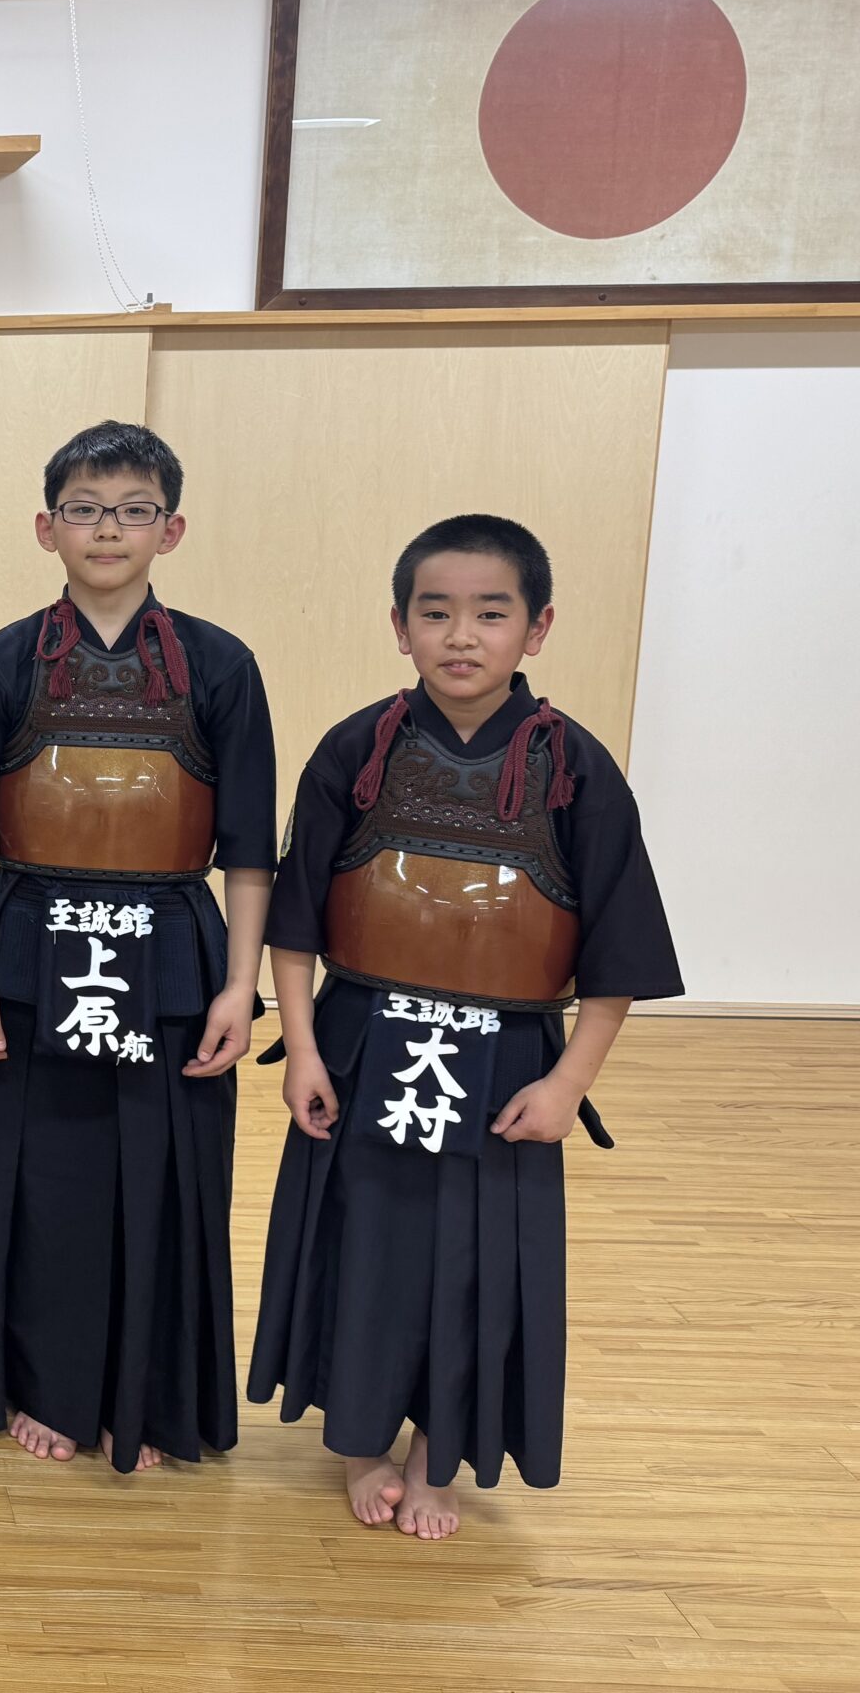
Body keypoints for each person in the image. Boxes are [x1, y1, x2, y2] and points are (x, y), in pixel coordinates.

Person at [249, 514, 681, 1539]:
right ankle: (361, 1441)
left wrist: (569, 1082)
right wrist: (302, 1048)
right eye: (435, 613)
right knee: (363, 1243)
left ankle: (434, 1454)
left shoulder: (575, 768)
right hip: (364, 1039)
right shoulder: (356, 749)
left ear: (536, 629)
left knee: (473, 1264)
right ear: (400, 626)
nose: (460, 636)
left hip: (503, 1058)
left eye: (490, 614)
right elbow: (297, 920)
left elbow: (617, 953)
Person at [0, 422, 275, 1472]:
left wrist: (239, 988)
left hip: (169, 954)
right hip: (32, 946)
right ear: (48, 529)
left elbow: (248, 851)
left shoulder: (220, 666)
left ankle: (143, 1396)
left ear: (171, 528)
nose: (107, 530)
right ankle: (39, 1384)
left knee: (163, 1183)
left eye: (131, 511)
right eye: (84, 509)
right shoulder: (0, 663)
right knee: (40, 1183)